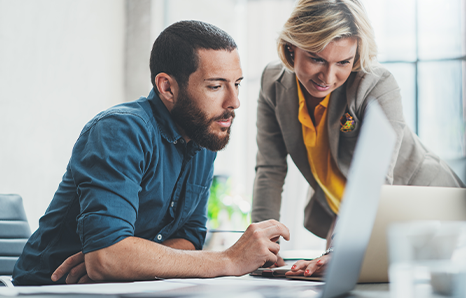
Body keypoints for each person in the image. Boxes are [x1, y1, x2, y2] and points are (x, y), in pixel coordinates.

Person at [13, 20, 289, 286]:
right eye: (216, 86)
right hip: (50, 289)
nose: (234, 102)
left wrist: (126, 261)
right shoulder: (120, 130)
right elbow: (107, 258)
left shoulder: (202, 136)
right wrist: (228, 260)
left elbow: (189, 238)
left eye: (237, 84)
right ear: (167, 87)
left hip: (127, 288)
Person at [251, 0, 464, 277]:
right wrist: (263, 247)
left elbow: (373, 181)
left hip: (424, 210)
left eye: (343, 62)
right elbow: (270, 169)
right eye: (317, 58)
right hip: (348, 216)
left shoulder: (376, 85)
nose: (328, 76)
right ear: (291, 48)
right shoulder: (272, 82)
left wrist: (340, 249)